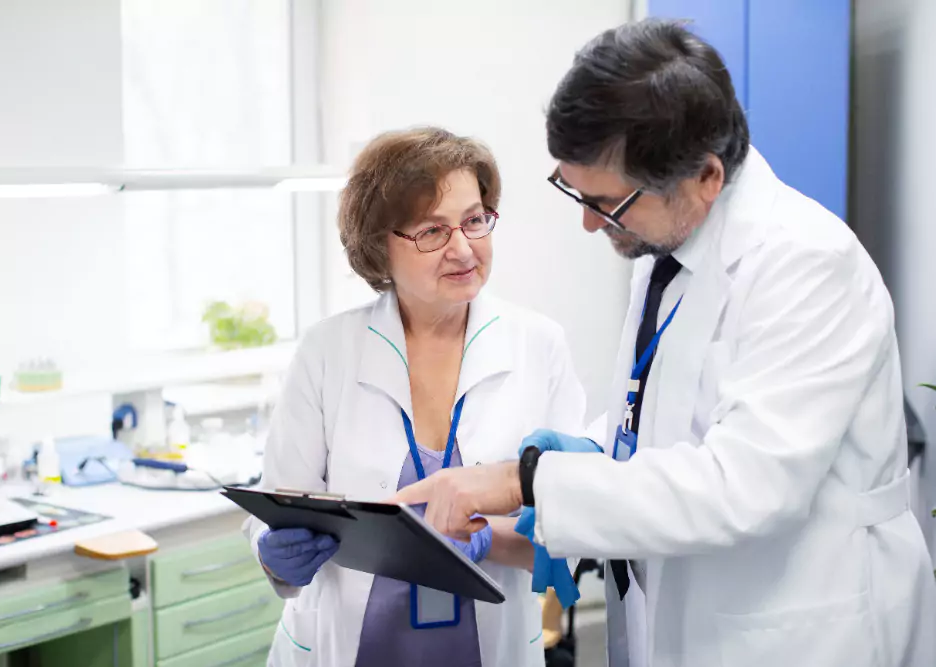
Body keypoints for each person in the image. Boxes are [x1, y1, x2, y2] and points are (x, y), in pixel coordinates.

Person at [394, 19, 936, 667]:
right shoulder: (668, 246)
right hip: (680, 611)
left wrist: (528, 480)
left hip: (797, 624)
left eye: (609, 203)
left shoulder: (808, 264)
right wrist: (596, 448)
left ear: (705, 176)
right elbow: (667, 414)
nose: (591, 223)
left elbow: (746, 486)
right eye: (576, 191)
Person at [242, 126, 586, 667]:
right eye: (432, 231)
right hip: (347, 647)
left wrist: (485, 539)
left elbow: (574, 521)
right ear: (381, 244)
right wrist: (276, 557)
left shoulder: (538, 345)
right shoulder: (329, 349)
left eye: (475, 220)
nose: (463, 248)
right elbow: (280, 505)